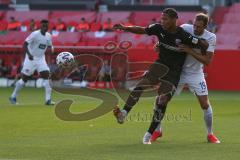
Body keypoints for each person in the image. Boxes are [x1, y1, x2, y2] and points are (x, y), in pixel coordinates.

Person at [112, 8, 208, 144]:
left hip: (174, 72)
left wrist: (194, 48)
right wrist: (125, 28)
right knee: (140, 86)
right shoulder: (158, 28)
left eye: (165, 19)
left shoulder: (184, 36)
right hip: (159, 66)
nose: (162, 21)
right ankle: (123, 113)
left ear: (174, 20)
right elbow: (142, 30)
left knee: (162, 100)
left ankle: (148, 134)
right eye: (161, 18)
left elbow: (204, 44)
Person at [149, 13, 220, 144]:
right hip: (178, 71)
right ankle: (157, 131)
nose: (195, 29)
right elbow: (170, 35)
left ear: (205, 26)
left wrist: (189, 50)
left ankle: (210, 134)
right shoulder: (185, 28)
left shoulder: (210, 37)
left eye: (199, 27)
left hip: (196, 74)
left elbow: (207, 61)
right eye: (194, 25)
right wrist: (160, 43)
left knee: (205, 104)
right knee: (160, 98)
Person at [9, 20, 55, 105]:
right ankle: (13, 96)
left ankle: (48, 100)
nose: (45, 27)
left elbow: (49, 46)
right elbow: (25, 44)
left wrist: (51, 48)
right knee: (24, 79)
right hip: (31, 59)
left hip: (41, 59)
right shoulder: (35, 34)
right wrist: (29, 54)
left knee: (47, 76)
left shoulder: (49, 36)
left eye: (46, 26)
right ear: (40, 26)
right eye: (43, 26)